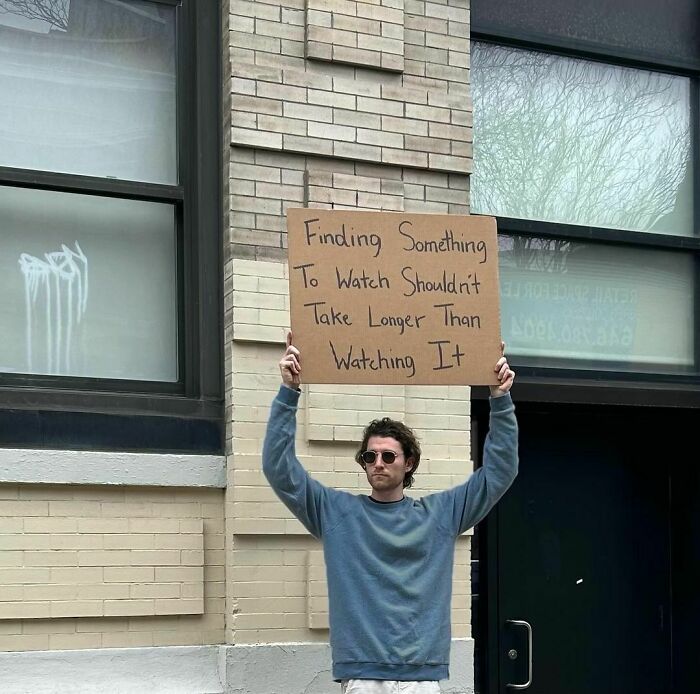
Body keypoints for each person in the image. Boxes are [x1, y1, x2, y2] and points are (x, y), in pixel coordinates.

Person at [263, 332, 518, 694]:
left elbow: (499, 473)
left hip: (421, 675)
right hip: (364, 675)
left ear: (408, 462)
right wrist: (289, 392)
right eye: (370, 456)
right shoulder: (336, 513)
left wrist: (501, 400)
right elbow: (278, 468)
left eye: (388, 456)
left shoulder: (440, 515)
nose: (377, 463)